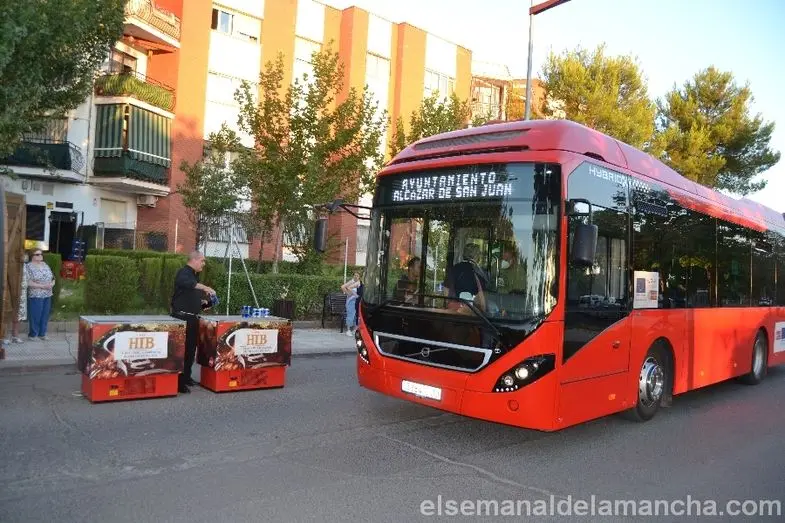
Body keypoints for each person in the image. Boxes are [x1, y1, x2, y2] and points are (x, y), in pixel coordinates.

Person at [170, 251, 216, 393]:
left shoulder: (195, 277)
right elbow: (187, 284)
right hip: (181, 318)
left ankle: (186, 377)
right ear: (194, 260)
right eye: (202, 261)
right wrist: (205, 287)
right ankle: (179, 383)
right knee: (181, 351)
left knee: (190, 350)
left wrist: (206, 304)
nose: (204, 264)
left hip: (193, 318)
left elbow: (194, 299)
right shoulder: (183, 273)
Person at [26, 249, 54, 340]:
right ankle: (33, 335)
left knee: (45, 315)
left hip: (48, 293)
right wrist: (42, 286)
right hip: (36, 294)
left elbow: (53, 277)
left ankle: (42, 334)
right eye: (37, 254)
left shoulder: (45, 265)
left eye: (41, 254)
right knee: (35, 315)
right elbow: (28, 282)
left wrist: (52, 284)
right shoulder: (28, 267)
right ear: (32, 256)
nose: (40, 255)